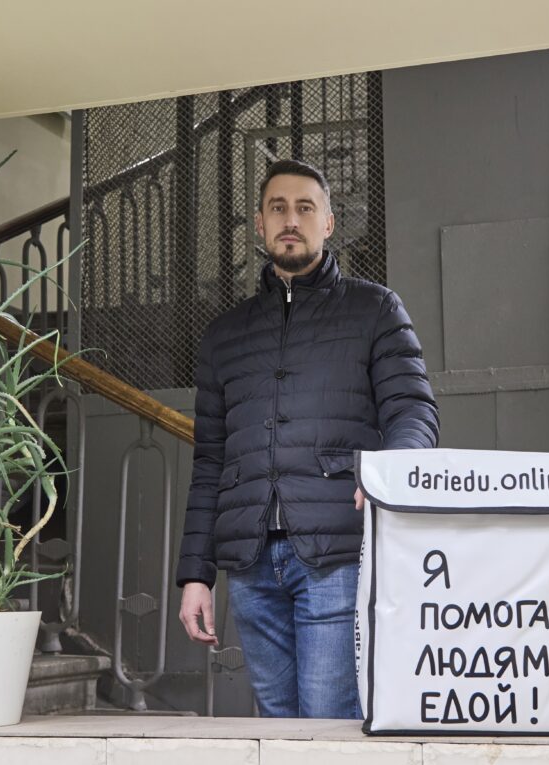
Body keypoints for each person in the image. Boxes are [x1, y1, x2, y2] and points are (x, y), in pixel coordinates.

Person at [176, 159, 439, 719]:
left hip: (335, 555)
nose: (290, 220)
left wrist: (388, 474)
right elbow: (210, 461)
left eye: (304, 208)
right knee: (276, 726)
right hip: (249, 565)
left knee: (327, 722)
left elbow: (413, 411)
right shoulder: (224, 336)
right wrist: (196, 574)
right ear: (259, 224)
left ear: (328, 223)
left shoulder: (374, 309)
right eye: (277, 209)